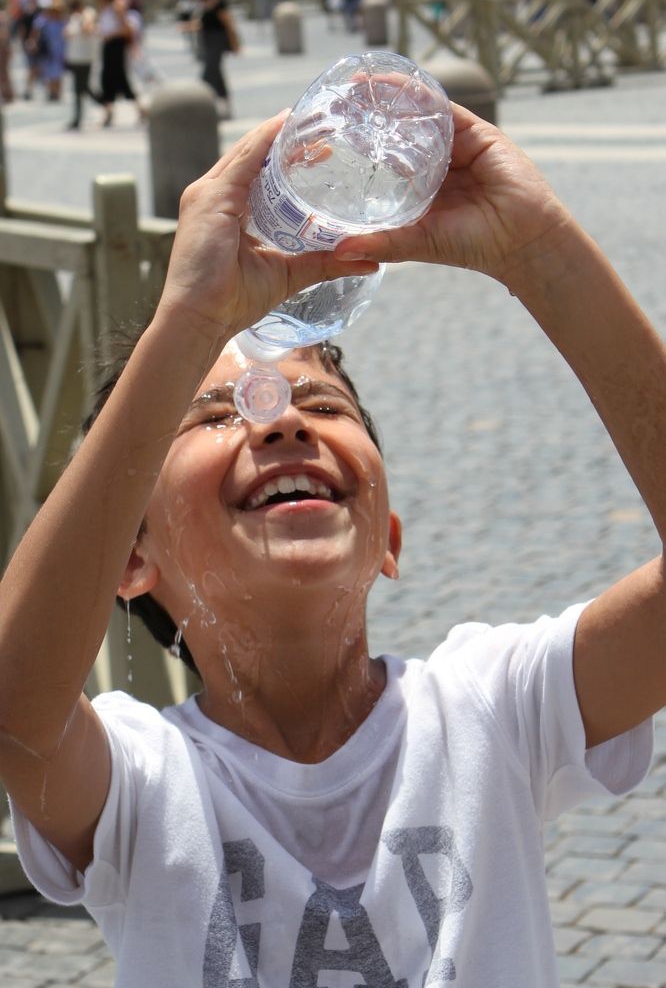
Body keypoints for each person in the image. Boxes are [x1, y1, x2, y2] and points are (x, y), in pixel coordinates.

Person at [0, 104, 664, 986]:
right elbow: (17, 712)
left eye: (324, 407)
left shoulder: (490, 711)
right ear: (128, 558)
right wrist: (188, 319)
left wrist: (540, 254)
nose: (280, 429)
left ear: (387, 537)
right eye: (209, 417)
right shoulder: (142, 783)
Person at [190, 0, 239, 120]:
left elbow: (227, 22)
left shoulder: (218, 1)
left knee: (209, 73)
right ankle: (223, 105)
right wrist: (187, 26)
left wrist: (235, 41)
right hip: (208, 42)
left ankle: (203, 106)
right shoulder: (204, 2)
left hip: (217, 41)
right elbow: (204, 23)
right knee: (216, 73)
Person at [95, 0, 140, 126]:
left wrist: (111, 35)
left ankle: (141, 109)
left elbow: (127, 29)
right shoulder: (105, 8)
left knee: (119, 78)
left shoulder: (117, 7)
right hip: (108, 47)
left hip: (116, 46)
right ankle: (108, 112)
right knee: (107, 79)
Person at [63, 0, 97, 129]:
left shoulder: (88, 14)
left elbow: (87, 29)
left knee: (82, 88)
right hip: (75, 57)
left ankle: (103, 104)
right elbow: (66, 34)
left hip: (84, 58)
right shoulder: (73, 18)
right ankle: (78, 117)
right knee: (80, 88)